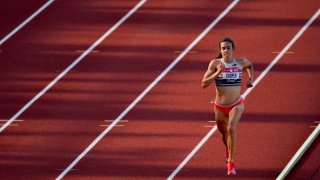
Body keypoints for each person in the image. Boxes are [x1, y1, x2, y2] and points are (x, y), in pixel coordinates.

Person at [201, 37, 253, 175]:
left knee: (231, 128)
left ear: (233, 49)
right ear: (220, 50)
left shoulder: (240, 62)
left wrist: (250, 78)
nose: (226, 50)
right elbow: (203, 84)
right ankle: (227, 150)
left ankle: (231, 163)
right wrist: (218, 72)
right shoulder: (215, 63)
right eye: (223, 48)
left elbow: (249, 65)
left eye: (228, 48)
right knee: (224, 133)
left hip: (236, 104)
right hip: (219, 106)